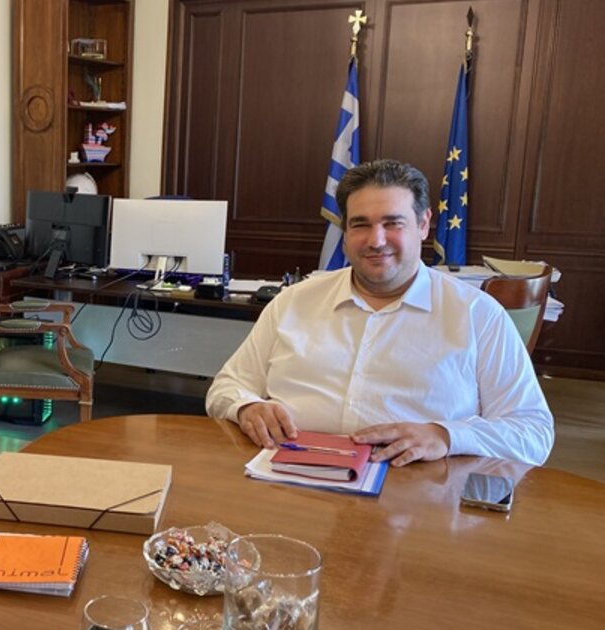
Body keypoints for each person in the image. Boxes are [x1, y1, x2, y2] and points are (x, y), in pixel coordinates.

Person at [205, 159, 554, 468]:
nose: (376, 240)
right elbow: (227, 386)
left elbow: (532, 432)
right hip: (287, 477)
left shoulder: (478, 315)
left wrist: (446, 436)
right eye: (360, 224)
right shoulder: (293, 303)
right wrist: (247, 407)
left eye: (393, 223)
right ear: (345, 232)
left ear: (423, 224)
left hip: (417, 494)